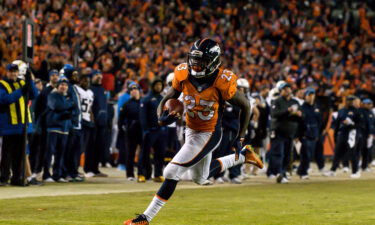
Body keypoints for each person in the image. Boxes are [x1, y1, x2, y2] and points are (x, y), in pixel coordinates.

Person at [124, 38, 263, 225]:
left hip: (209, 132)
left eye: (201, 61)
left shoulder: (222, 81)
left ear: (213, 61)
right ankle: (242, 156)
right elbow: (167, 98)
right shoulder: (182, 74)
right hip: (190, 129)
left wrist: (241, 136)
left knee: (171, 171)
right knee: (200, 178)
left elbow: (245, 105)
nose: (196, 64)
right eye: (194, 59)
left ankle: (145, 218)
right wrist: (161, 116)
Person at [0, 64, 38, 186]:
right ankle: (3, 178)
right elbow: (5, 99)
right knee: (7, 154)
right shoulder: (2, 84)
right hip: (9, 125)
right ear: (7, 72)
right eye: (11, 72)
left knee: (19, 154)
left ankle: (17, 178)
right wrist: (22, 90)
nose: (13, 74)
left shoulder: (23, 82)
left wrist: (30, 81)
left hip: (23, 125)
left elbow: (34, 95)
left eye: (15, 72)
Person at [267, 82, 302, 183]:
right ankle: (278, 173)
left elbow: (300, 115)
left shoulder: (295, 102)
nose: (287, 91)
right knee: (279, 153)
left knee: (287, 155)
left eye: (288, 89)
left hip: (291, 132)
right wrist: (288, 111)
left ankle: (283, 173)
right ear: (281, 91)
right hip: (279, 132)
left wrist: (298, 114)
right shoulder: (276, 101)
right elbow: (274, 114)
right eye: (285, 89)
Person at [43, 78, 75, 182]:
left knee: (60, 153)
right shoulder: (52, 95)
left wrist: (68, 106)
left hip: (64, 128)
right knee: (49, 152)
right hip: (54, 127)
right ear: (58, 86)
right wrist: (69, 105)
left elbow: (73, 110)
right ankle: (46, 175)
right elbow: (56, 106)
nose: (63, 87)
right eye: (61, 85)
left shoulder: (67, 97)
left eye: (65, 85)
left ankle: (57, 175)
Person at [324, 96, 362, 178]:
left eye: (351, 101)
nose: (350, 102)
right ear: (345, 101)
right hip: (342, 133)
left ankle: (356, 171)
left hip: (352, 133)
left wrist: (351, 124)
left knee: (352, 152)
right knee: (337, 153)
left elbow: (360, 124)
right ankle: (332, 170)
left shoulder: (356, 111)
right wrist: (335, 135)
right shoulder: (341, 111)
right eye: (349, 100)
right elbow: (337, 124)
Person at [138, 77, 167, 183]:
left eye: (160, 85)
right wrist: (145, 129)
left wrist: (165, 126)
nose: (159, 87)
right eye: (157, 85)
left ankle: (158, 174)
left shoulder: (162, 98)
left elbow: (165, 114)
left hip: (160, 131)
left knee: (160, 153)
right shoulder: (146, 98)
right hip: (150, 131)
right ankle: (141, 173)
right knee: (145, 153)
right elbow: (142, 116)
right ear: (153, 86)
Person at [84, 70, 109, 177]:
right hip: (93, 122)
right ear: (92, 77)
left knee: (100, 146)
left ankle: (95, 169)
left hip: (102, 122)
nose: (99, 77)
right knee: (91, 146)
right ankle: (88, 169)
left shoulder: (103, 89)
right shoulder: (90, 90)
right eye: (96, 75)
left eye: (100, 74)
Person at [118, 82, 142, 181]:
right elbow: (121, 120)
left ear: (139, 90)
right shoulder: (126, 104)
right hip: (131, 132)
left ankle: (143, 173)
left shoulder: (144, 102)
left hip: (142, 131)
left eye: (135, 89)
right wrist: (124, 129)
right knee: (130, 153)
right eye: (131, 89)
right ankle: (130, 174)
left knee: (144, 153)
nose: (133, 91)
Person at [297, 88, 321, 179]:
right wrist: (299, 135)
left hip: (313, 134)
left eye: (312, 95)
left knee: (309, 154)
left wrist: (317, 133)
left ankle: (301, 170)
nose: (311, 97)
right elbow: (299, 122)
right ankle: (303, 172)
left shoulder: (316, 108)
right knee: (305, 154)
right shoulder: (302, 107)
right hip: (305, 134)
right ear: (305, 96)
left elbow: (319, 122)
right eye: (309, 95)